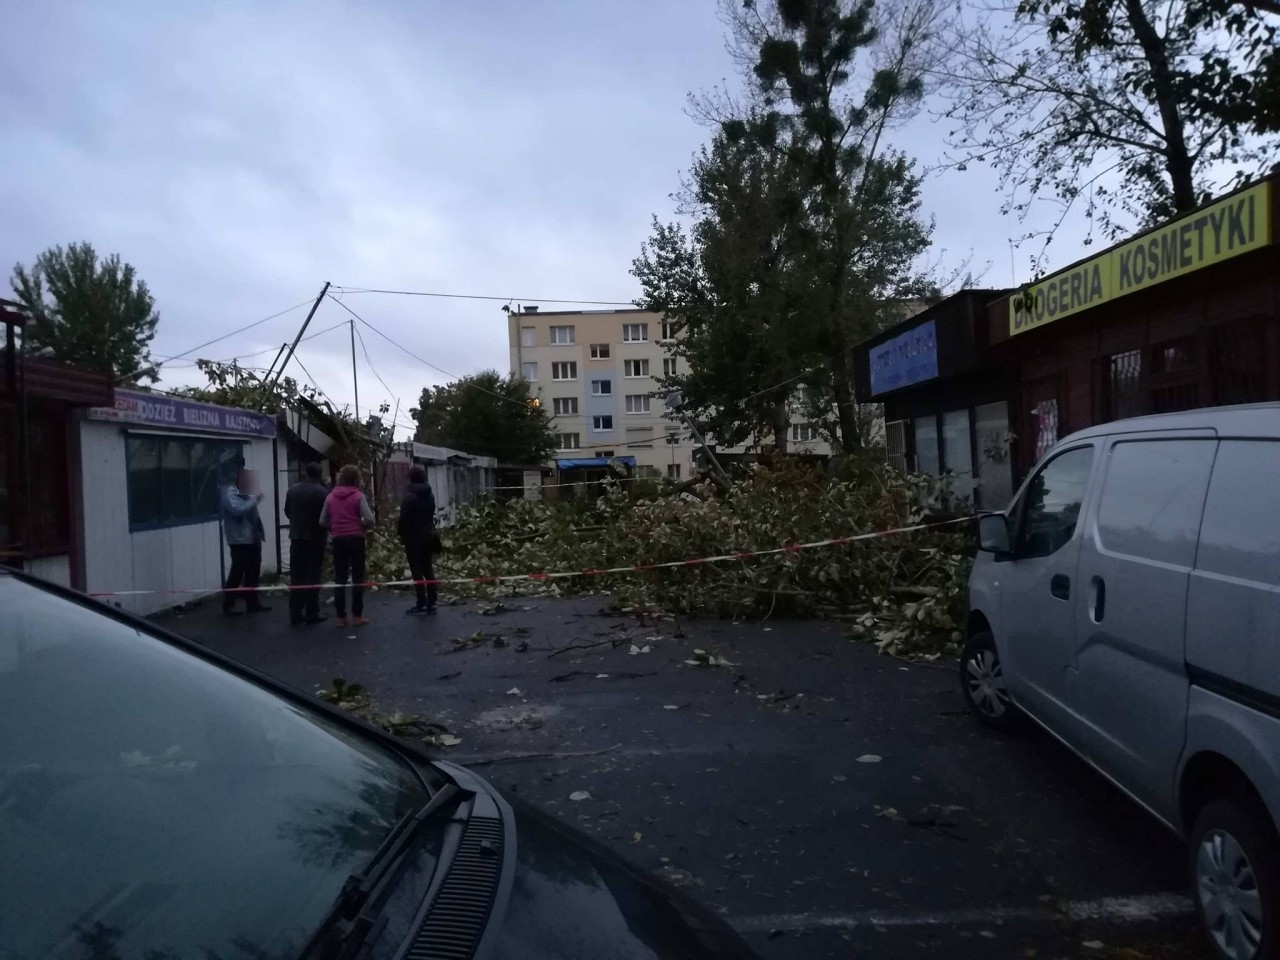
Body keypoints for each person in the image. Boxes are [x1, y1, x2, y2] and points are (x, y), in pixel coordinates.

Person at [320, 464, 375, 627]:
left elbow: (322, 520)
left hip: (338, 540)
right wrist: (362, 526)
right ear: (356, 479)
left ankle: (340, 617)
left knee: (340, 578)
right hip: (356, 539)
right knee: (358, 577)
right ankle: (357, 616)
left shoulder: (330, 497)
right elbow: (369, 518)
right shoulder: (358, 496)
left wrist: (334, 528)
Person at [220, 467, 270, 616]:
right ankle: (228, 604)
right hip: (239, 539)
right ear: (239, 480)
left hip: (253, 538)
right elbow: (238, 511)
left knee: (253, 572)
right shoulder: (230, 494)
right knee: (237, 571)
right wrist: (255, 500)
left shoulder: (246, 493)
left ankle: (252, 602)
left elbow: (253, 514)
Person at [284, 462, 329, 625]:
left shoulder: (293, 490)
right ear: (320, 474)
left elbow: (287, 511)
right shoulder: (323, 493)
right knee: (313, 576)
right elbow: (326, 517)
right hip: (316, 539)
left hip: (296, 537)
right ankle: (311, 612)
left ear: (305, 473)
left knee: (297, 576)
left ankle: (295, 612)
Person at [398, 465, 438, 615]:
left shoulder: (409, 497)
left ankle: (421, 602)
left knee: (416, 571)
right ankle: (432, 602)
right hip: (428, 535)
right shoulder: (430, 495)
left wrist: (401, 534)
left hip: (413, 538)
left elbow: (403, 519)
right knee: (428, 569)